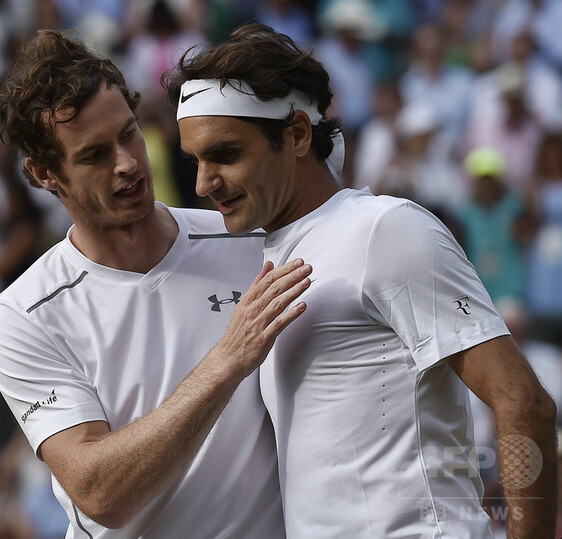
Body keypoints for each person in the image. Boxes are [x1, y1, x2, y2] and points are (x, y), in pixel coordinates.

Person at [166, 22, 558, 538]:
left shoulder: (386, 229)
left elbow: (525, 403)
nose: (203, 183)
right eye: (195, 160)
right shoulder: (272, 252)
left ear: (298, 135)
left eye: (226, 154)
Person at [0, 29, 313, 537]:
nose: (128, 163)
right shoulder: (21, 315)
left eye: (129, 133)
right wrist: (228, 360)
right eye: (94, 155)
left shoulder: (250, 240)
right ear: (45, 173)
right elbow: (99, 494)